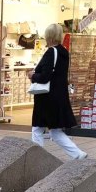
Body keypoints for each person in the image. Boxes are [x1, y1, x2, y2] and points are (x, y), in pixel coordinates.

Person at [28, 23, 87, 160]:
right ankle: (78, 154)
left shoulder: (50, 52)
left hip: (46, 98)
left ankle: (37, 159)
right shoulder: (64, 52)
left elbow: (45, 77)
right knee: (55, 130)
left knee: (37, 128)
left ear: (48, 36)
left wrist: (33, 76)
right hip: (59, 96)